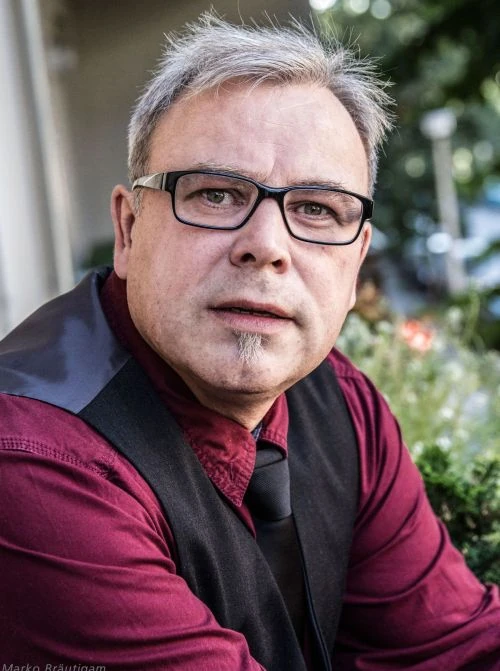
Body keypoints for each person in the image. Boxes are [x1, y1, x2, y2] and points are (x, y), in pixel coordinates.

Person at [0, 13, 499, 671]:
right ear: (128, 230)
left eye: (317, 209)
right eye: (214, 194)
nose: (266, 246)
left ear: (356, 265)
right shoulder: (33, 463)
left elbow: (454, 649)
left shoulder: (345, 405)